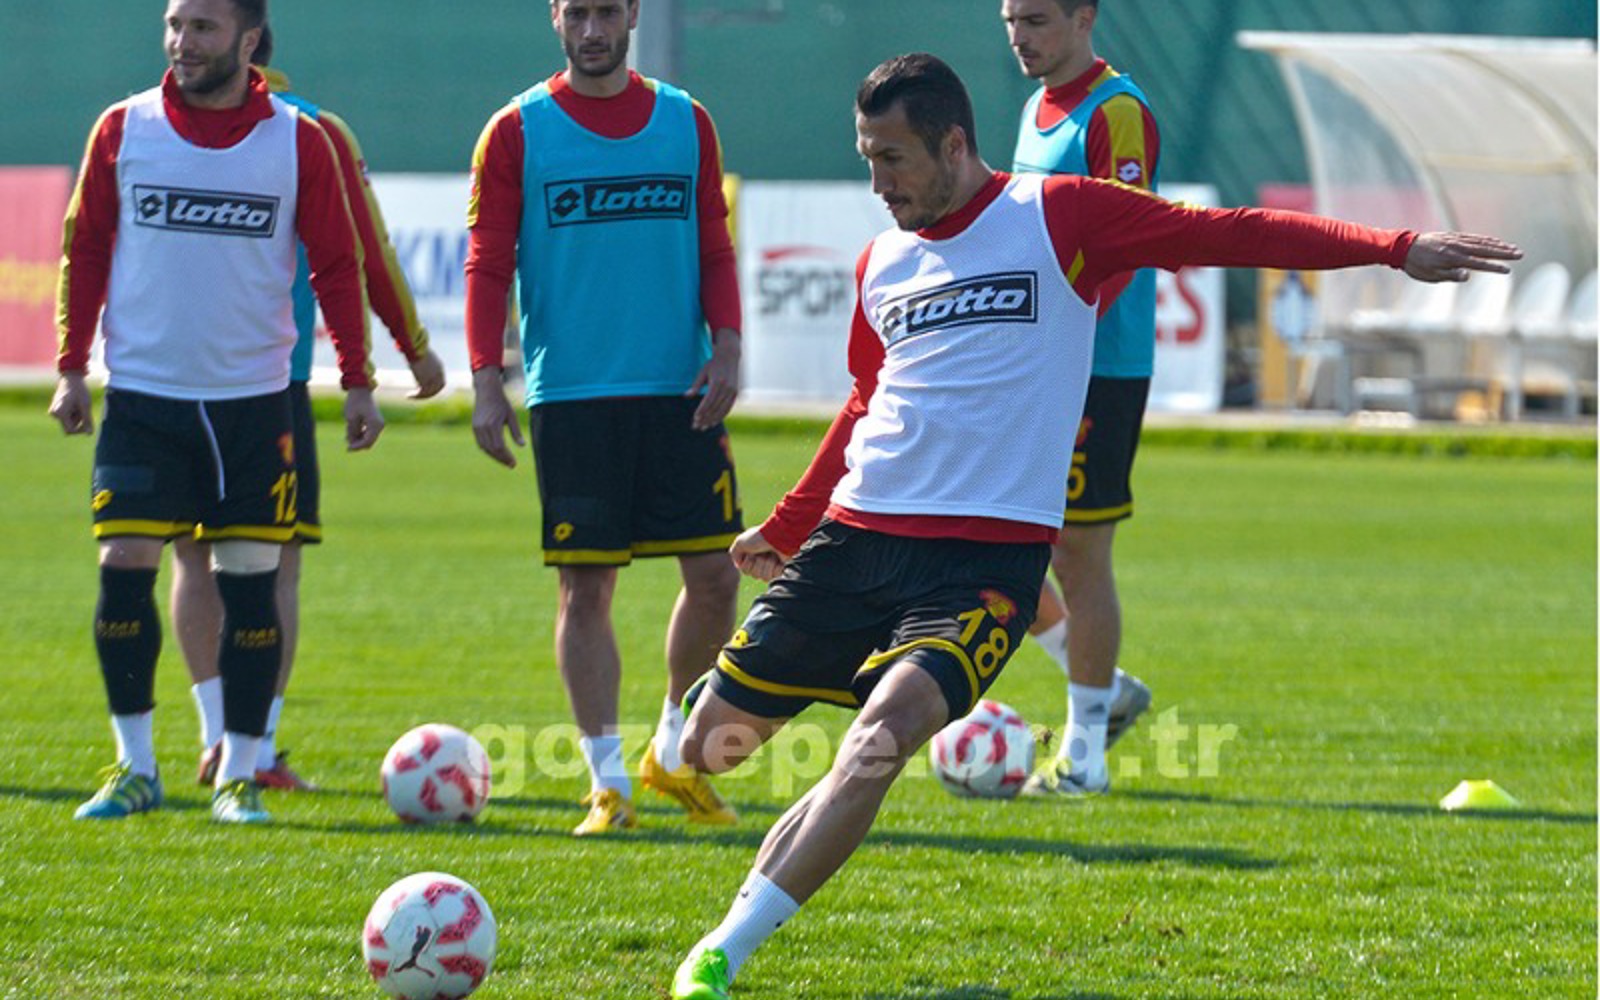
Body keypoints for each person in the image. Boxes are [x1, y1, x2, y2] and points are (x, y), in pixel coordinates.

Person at [667, 53, 1518, 998]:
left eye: (893, 159)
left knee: (880, 738)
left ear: (954, 144)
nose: (879, 183)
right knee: (710, 748)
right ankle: (789, 769)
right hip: (856, 540)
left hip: (983, 566)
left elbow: (1225, 231)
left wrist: (1394, 248)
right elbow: (870, 400)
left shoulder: (1060, 215)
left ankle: (722, 951)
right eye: (867, 159)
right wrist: (790, 523)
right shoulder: (881, 262)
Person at [51, 0, 383, 826]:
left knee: (250, 584)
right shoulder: (123, 128)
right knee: (123, 565)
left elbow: (336, 264)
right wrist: (70, 368)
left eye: (202, 27)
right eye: (175, 24)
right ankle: (136, 767)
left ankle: (238, 773)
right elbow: (85, 248)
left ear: (249, 38)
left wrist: (357, 378)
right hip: (143, 399)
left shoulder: (298, 140)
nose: (182, 41)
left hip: (253, 405)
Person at [465, 0, 745, 836]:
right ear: (556, 16)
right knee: (586, 589)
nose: (592, 30)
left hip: (679, 391)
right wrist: (486, 380)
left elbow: (715, 246)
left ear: (632, 14)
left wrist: (729, 346)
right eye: (576, 12)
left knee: (717, 575)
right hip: (573, 396)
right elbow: (487, 263)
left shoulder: (687, 122)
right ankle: (607, 782)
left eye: (607, 11)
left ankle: (672, 745)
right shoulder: (516, 130)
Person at [171, 22, 447, 794]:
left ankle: (218, 736)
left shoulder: (159, 125)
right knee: (272, 566)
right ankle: (250, 748)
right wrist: (414, 346)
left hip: (181, 381)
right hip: (265, 383)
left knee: (193, 556)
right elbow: (366, 248)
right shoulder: (314, 128)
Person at [1002, 0, 1161, 797]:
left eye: (1035, 20)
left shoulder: (1116, 111)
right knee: (989, 537)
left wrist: (1064, 323)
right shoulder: (1036, 108)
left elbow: (1126, 242)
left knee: (1077, 553)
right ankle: (1100, 682)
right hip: (1038, 359)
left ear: (1084, 17)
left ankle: (1085, 756)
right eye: (1009, 20)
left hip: (1098, 364)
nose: (1019, 36)